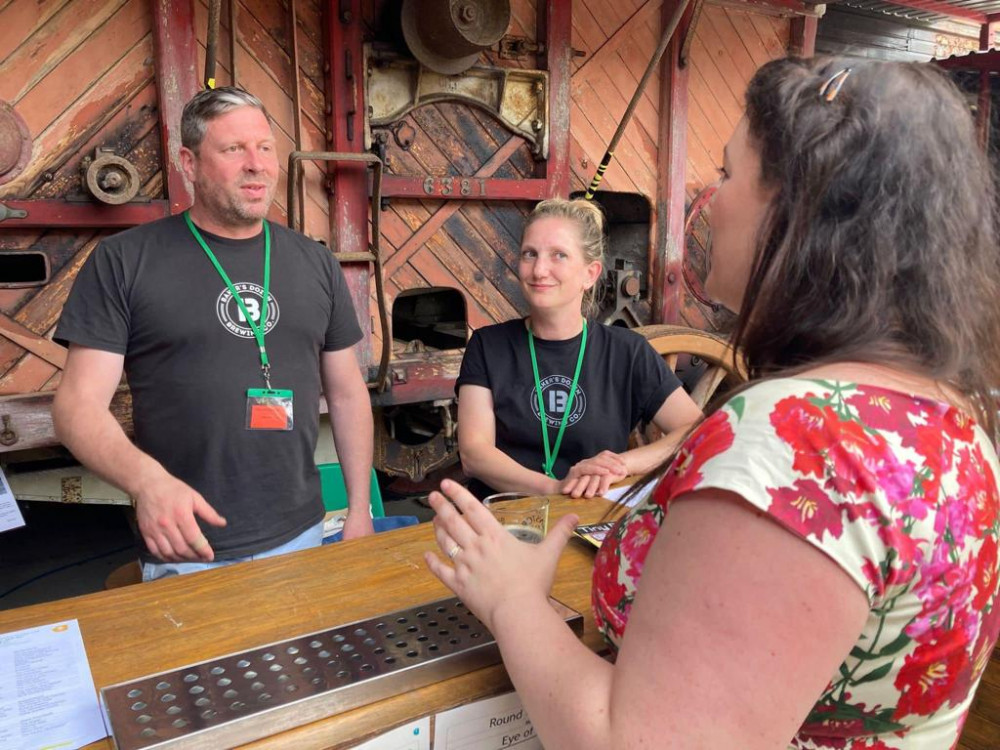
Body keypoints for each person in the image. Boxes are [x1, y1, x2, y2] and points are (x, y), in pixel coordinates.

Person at [424, 56, 1000, 749]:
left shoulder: (794, 439)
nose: (708, 195)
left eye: (728, 173)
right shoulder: (955, 420)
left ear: (798, 205)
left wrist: (512, 599)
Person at [52, 87, 375, 581]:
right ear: (189, 161)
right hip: (185, 547)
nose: (257, 164)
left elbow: (348, 393)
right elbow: (76, 408)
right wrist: (148, 483)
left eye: (265, 148)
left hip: (301, 534)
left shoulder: (314, 261)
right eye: (233, 149)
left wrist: (359, 510)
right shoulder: (125, 260)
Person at [456, 198, 702, 499]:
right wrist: (556, 489)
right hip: (502, 519)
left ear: (591, 273)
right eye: (529, 254)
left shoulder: (628, 352)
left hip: (589, 517)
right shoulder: (487, 345)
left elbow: (694, 429)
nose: (539, 270)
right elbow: (474, 453)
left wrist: (622, 464)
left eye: (558, 255)